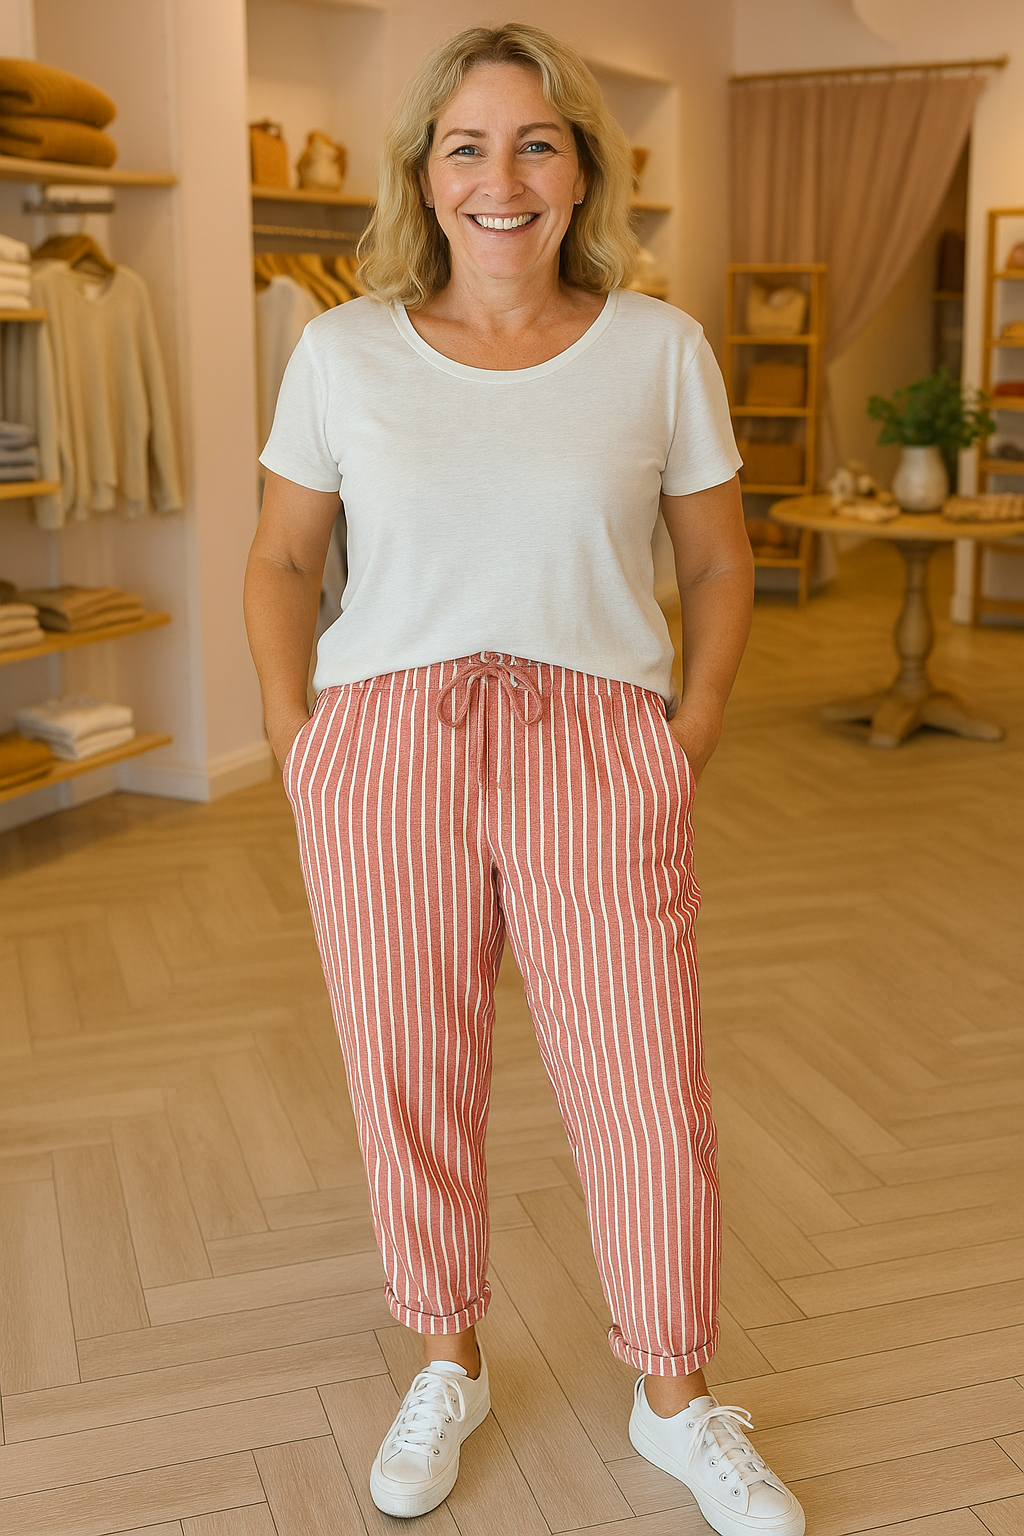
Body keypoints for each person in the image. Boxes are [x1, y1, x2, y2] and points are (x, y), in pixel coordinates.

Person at [244, 22, 804, 1536]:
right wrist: (302, 742)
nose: (503, 178)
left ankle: (675, 1398)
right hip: (387, 748)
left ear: (583, 171)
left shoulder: (660, 348)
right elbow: (284, 560)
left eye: (537, 143)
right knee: (409, 1075)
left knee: (644, 1084)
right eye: (468, 147)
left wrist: (686, 729)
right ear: (425, 176)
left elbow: (718, 563)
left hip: (597, 742)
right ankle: (450, 1361)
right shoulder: (341, 350)